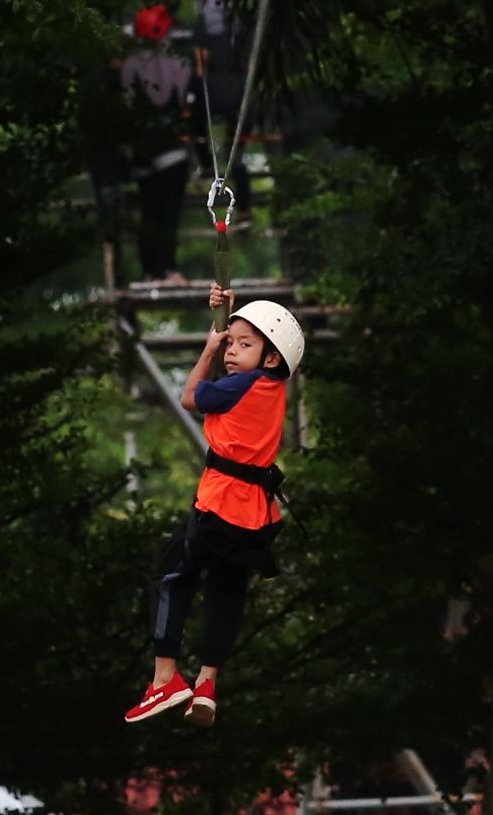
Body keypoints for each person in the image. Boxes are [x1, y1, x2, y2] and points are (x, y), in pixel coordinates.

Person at [124, 282, 305, 727]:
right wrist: (227, 314)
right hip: (255, 517)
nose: (230, 350)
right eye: (230, 342)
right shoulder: (271, 388)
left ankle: (164, 678)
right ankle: (206, 683)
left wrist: (207, 350)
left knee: (171, 574)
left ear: (271, 358)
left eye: (243, 344)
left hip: (219, 505)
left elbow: (190, 397)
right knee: (227, 590)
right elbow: (247, 351)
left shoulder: (238, 386)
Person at [121, 4, 193, 285]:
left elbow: (125, 105)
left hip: (142, 151)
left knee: (148, 213)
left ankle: (150, 270)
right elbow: (187, 100)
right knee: (168, 214)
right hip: (172, 150)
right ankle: (168, 269)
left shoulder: (130, 66)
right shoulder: (178, 64)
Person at [190, 0, 253, 223]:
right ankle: (245, 208)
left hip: (216, 85)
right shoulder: (239, 24)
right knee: (235, 157)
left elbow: (200, 63)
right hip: (237, 87)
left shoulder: (204, 25)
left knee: (196, 120)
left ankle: (206, 164)